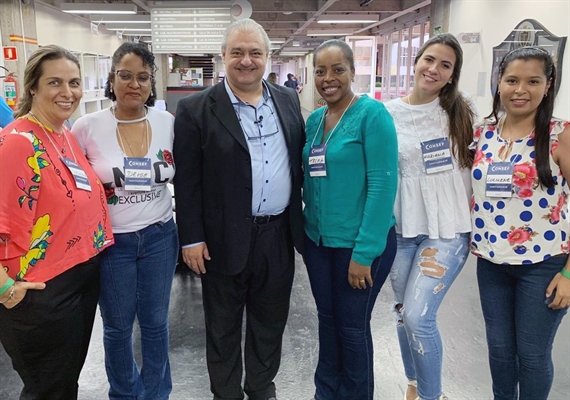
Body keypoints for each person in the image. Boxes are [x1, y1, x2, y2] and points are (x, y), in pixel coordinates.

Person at [173, 18, 305, 400]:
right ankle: (226, 393)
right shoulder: (196, 109)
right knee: (223, 326)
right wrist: (191, 238)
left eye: (255, 53)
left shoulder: (287, 100)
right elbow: (187, 181)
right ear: (223, 57)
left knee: (270, 321)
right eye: (237, 53)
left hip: (277, 234)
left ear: (267, 57)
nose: (246, 61)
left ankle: (262, 387)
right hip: (220, 237)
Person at [0, 44, 113, 399]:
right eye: (55, 83)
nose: (68, 93)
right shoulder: (18, 142)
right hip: (39, 293)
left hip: (76, 279)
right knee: (48, 389)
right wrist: (5, 289)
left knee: (63, 386)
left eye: (74, 82)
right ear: (33, 87)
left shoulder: (63, 134)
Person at [71, 42, 178, 400]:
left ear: (151, 83)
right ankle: (124, 394)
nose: (134, 84)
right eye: (126, 76)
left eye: (143, 77)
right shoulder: (86, 127)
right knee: (117, 327)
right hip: (112, 242)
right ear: (112, 79)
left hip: (160, 235)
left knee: (155, 324)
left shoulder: (167, 123)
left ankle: (156, 393)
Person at [471, 46, 570, 400]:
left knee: (531, 355)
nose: (520, 90)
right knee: (499, 353)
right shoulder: (483, 132)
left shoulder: (560, 134)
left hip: (544, 265)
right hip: (492, 263)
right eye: (512, 80)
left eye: (533, 81)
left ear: (548, 86)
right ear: (499, 83)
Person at [302, 39, 398, 400]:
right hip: (319, 243)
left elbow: (382, 185)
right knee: (328, 323)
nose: (329, 78)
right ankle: (326, 393)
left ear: (352, 72)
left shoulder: (372, 115)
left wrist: (365, 253)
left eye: (337, 69)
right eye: (321, 71)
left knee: (352, 328)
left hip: (360, 245)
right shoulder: (314, 121)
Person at [384, 33, 477, 400]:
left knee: (420, 317)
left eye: (445, 65)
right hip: (402, 229)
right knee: (403, 312)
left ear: (453, 74)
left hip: (447, 230)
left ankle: (431, 396)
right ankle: (413, 383)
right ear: (416, 60)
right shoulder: (387, 113)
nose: (434, 69)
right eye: (429, 59)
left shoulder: (461, 111)